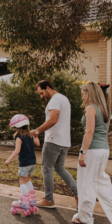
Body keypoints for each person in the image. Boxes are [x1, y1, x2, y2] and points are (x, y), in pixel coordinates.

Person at [71, 82, 112, 224]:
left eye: (83, 94)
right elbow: (105, 131)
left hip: (92, 150)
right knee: (102, 183)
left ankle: (85, 217)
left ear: (89, 93)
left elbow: (89, 132)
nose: (82, 97)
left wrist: (83, 152)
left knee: (87, 182)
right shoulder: (105, 108)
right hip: (104, 150)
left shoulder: (90, 108)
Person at [32, 80, 78, 208]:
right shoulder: (64, 98)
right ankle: (78, 193)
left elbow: (53, 120)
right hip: (64, 141)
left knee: (47, 169)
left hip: (53, 140)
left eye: (42, 93)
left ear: (48, 88)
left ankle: (49, 199)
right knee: (59, 167)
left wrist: (36, 131)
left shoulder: (55, 100)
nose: (42, 96)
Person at [5, 114, 41, 217]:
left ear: (17, 127)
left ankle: (24, 202)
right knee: (27, 180)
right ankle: (32, 201)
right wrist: (36, 136)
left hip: (25, 163)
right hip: (32, 163)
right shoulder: (30, 135)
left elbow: (17, 150)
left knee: (22, 181)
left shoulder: (19, 137)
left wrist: (9, 160)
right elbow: (38, 143)